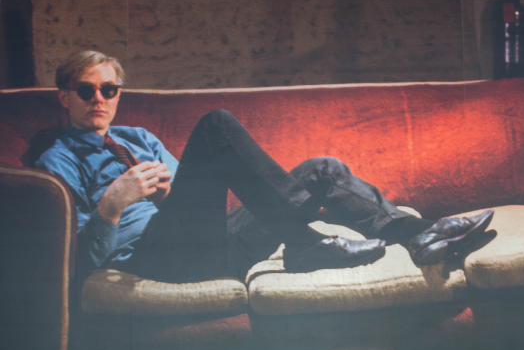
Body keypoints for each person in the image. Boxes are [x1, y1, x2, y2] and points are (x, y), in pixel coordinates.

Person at [36, 49, 493, 283]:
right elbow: (75, 261)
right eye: (85, 90)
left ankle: (419, 235)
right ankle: (302, 241)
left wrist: (167, 193)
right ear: (64, 96)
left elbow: (194, 196)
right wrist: (113, 204)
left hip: (212, 242)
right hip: (157, 257)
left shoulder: (140, 139)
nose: (99, 99)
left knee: (322, 169)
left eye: (109, 90)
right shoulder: (57, 160)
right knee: (216, 125)